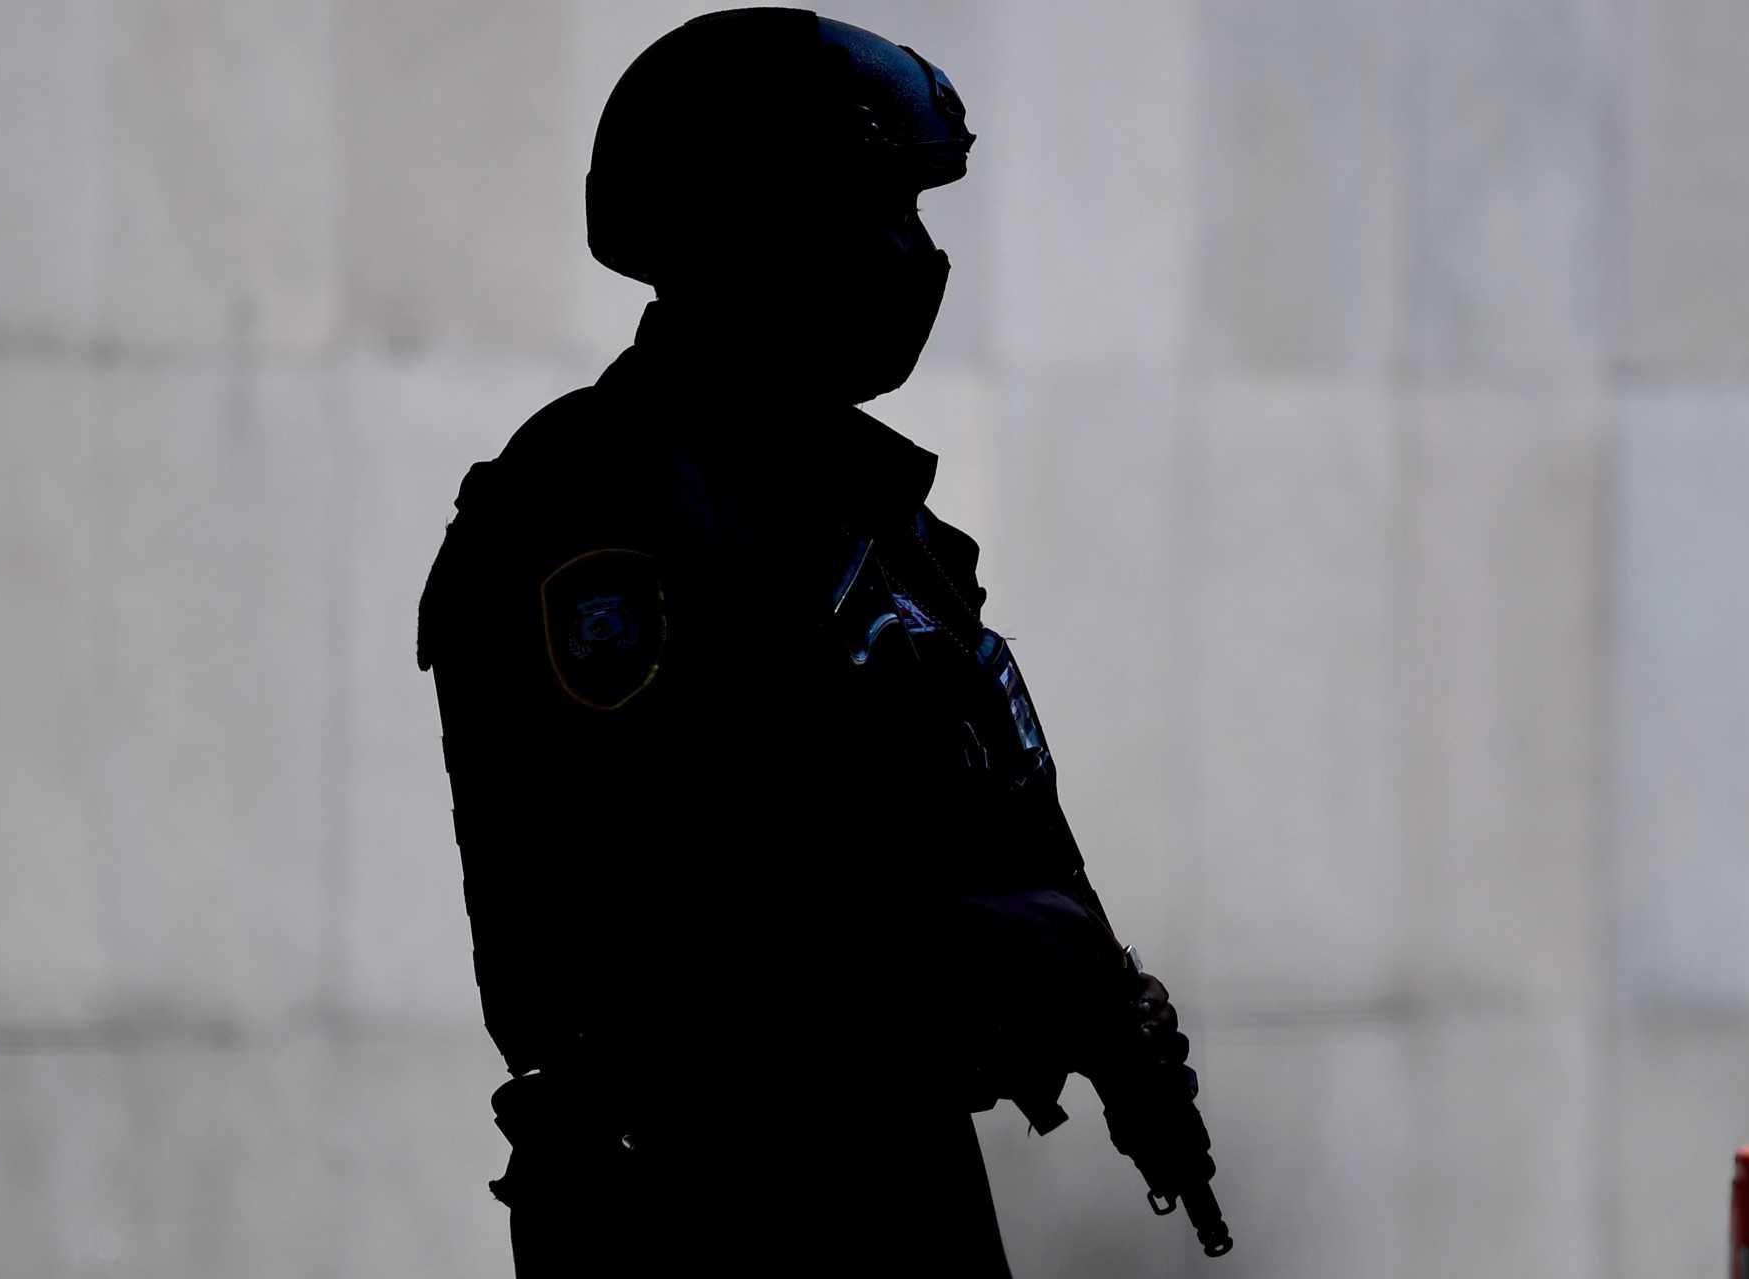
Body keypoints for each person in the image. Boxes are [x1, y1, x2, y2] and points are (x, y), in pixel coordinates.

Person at [416, 9, 1217, 1274]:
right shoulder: (602, 509)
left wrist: (1091, 992)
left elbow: (980, 790)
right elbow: (686, 912)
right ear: (755, 221)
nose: (916, 255)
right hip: (713, 1200)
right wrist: (996, 957)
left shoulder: (862, 505)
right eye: (879, 205)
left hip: (885, 1170)